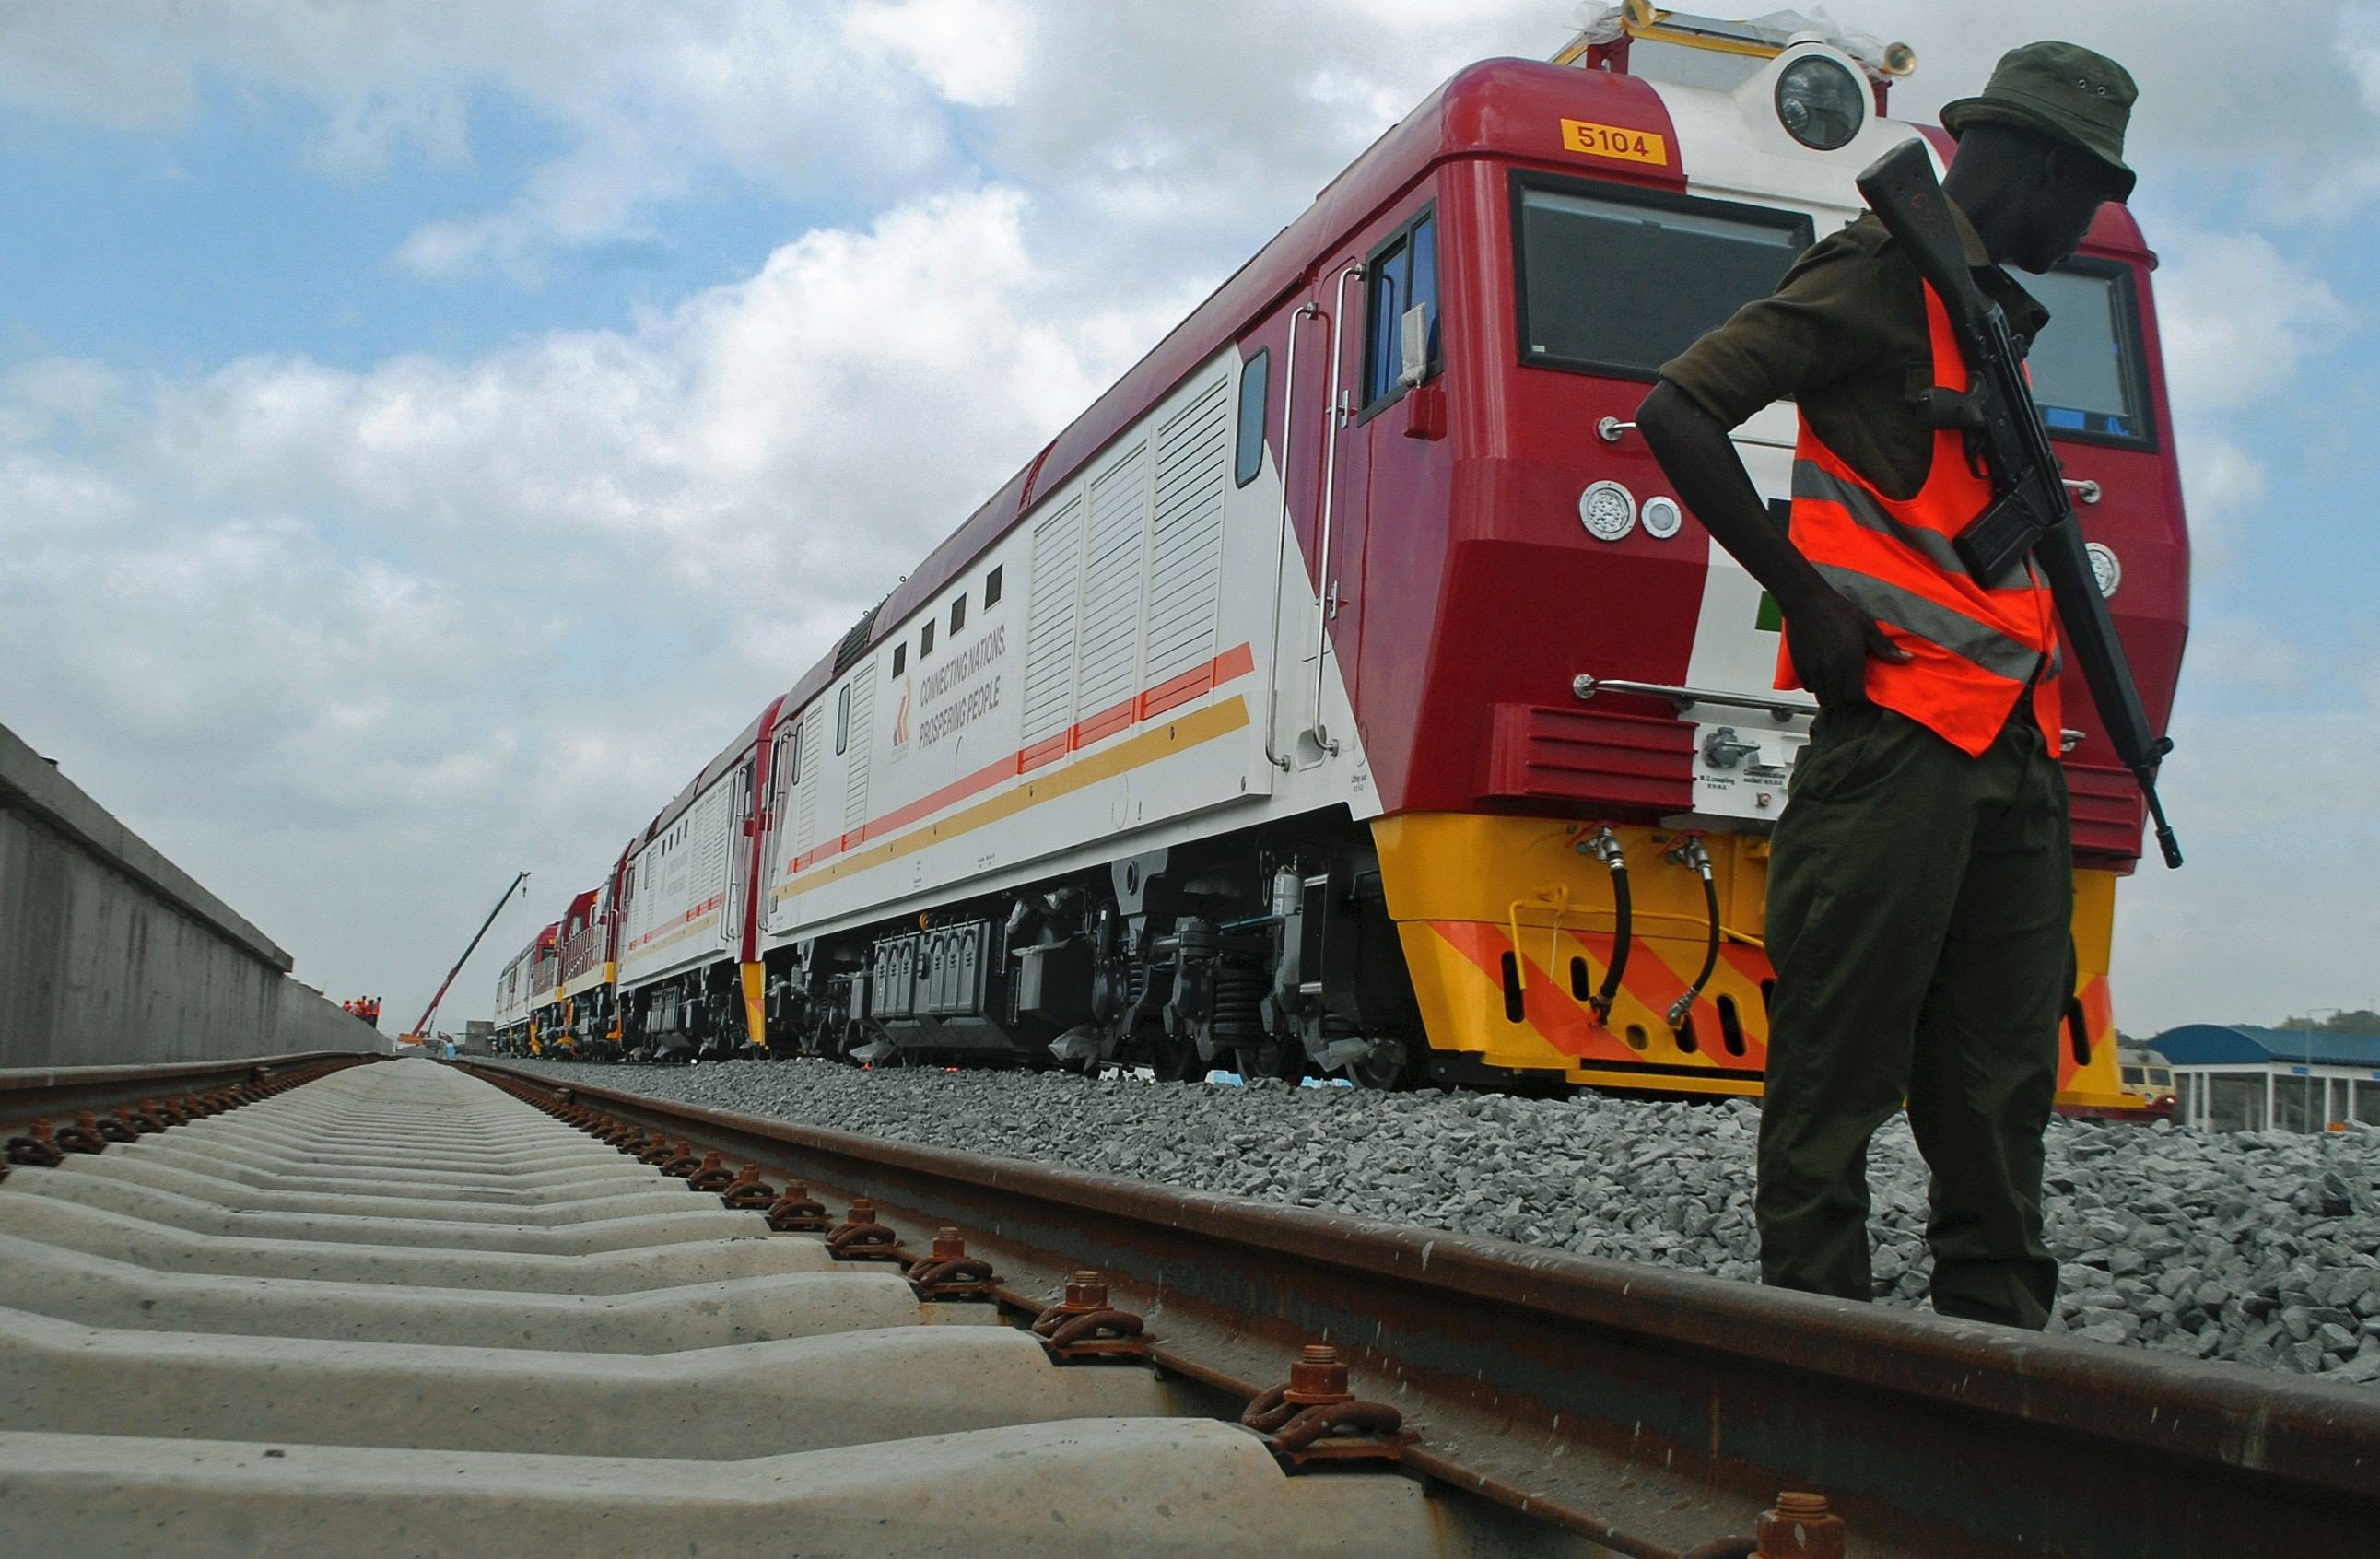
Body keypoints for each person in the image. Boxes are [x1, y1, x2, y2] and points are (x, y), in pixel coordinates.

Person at [1634, 41, 2139, 1330]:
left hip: (2015, 746)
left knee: (2001, 1080)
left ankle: (1994, 1348)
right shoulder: (1876, 275)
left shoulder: (1982, 313)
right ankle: (1820, 1355)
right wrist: (1803, 596)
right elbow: (1681, 406)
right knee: (1838, 1068)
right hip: (1901, 740)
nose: (2088, 224)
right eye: (2085, 194)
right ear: (2029, 164)